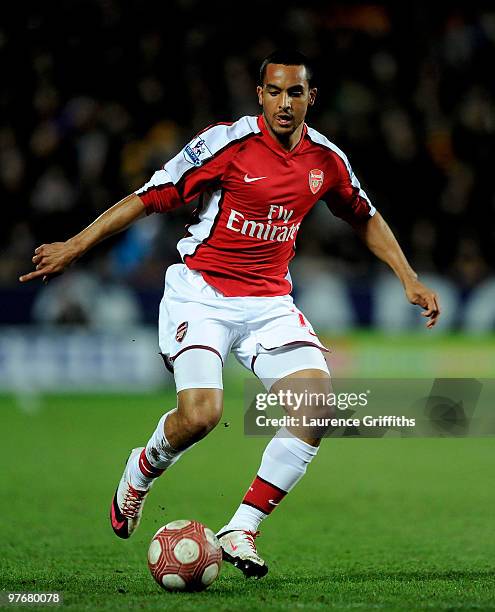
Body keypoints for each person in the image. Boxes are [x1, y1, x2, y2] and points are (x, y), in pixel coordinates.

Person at [19, 50, 440, 579]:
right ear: (259, 95)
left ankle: (241, 527)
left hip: (269, 303)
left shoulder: (326, 160)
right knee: (201, 417)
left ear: (311, 97)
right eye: (274, 92)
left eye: (295, 93)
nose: (285, 103)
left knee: (317, 408)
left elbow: (364, 214)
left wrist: (408, 277)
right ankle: (143, 467)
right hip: (202, 295)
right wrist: (77, 245)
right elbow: (149, 196)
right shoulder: (226, 144)